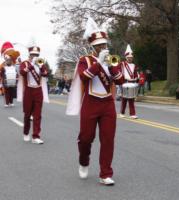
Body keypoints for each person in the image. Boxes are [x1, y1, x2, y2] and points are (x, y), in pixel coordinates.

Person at [66, 18, 124, 185]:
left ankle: (105, 173)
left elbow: (120, 81)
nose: (103, 48)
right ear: (93, 47)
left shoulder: (112, 60)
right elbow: (85, 77)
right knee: (86, 138)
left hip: (107, 104)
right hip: (90, 103)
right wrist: (99, 62)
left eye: (104, 44)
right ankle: (84, 162)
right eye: (99, 45)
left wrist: (112, 66)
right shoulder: (85, 60)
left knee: (108, 139)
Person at [18, 40, 49, 144]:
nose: (35, 56)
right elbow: (22, 72)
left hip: (38, 90)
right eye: (33, 54)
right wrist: (31, 65)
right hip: (28, 91)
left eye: (36, 54)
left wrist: (41, 67)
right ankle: (26, 132)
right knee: (27, 114)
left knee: (38, 115)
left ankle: (36, 136)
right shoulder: (25, 63)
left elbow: (45, 74)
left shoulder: (40, 63)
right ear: (29, 54)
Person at [119, 44, 139, 119]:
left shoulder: (134, 65)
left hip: (132, 82)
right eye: (129, 57)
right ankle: (122, 112)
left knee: (131, 99)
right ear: (126, 58)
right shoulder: (122, 64)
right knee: (124, 99)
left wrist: (137, 77)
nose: (130, 59)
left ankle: (132, 114)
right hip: (125, 82)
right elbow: (118, 71)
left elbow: (135, 73)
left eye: (131, 57)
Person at [0, 42, 20, 107]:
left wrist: (17, 81)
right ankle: (7, 103)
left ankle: (11, 102)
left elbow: (17, 74)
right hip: (6, 82)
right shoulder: (3, 67)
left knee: (12, 93)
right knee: (6, 93)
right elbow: (1, 73)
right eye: (8, 60)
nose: (9, 61)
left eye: (10, 60)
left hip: (12, 82)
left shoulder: (14, 66)